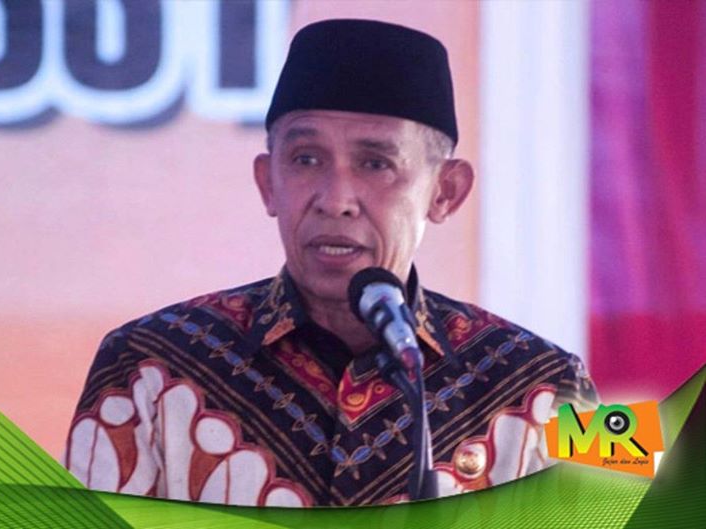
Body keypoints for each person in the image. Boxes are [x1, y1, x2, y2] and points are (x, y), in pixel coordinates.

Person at [64, 19, 598, 507]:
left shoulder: (552, 379)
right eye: (306, 159)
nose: (336, 199)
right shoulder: (146, 365)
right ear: (267, 183)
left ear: (445, 192)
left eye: (375, 163)